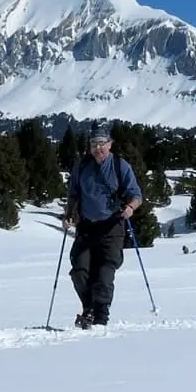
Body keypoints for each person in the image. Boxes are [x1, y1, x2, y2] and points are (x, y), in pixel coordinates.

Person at [63, 125, 142, 329]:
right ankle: (89, 308)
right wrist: (69, 214)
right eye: (93, 144)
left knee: (105, 273)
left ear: (110, 144)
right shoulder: (82, 167)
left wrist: (131, 207)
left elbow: (136, 194)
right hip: (87, 227)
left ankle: (100, 317)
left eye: (101, 144)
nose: (97, 148)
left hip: (112, 227)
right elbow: (73, 194)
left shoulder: (119, 166)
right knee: (79, 271)